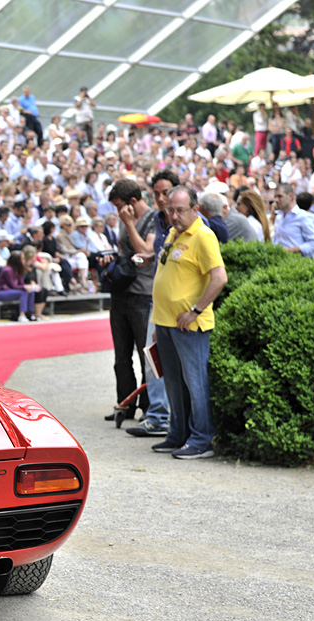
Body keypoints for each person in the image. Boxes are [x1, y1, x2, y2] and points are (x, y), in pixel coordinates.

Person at [151, 187, 227, 460]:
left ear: (195, 210)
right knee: (173, 382)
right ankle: (178, 434)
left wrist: (195, 310)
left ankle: (202, 439)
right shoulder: (174, 233)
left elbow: (219, 278)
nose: (173, 215)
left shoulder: (203, 235)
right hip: (166, 321)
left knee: (195, 383)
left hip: (189, 324)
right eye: (169, 210)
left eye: (180, 210)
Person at [106, 179, 162, 434]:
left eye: (120, 206)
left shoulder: (152, 218)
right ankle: (125, 404)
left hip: (142, 294)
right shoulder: (123, 217)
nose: (118, 212)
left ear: (131, 202)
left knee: (145, 355)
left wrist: (129, 224)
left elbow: (146, 251)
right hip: (121, 293)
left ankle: (148, 407)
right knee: (121, 355)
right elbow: (125, 251)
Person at [270, 184, 314, 258]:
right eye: (275, 197)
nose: (276, 200)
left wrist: (291, 250)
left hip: (297, 265)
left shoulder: (303, 216)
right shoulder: (279, 217)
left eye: (280, 196)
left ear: (290, 196)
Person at [0, 251, 39, 322]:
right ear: (17, 260)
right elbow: (13, 286)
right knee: (23, 292)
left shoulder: (18, 270)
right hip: (1, 292)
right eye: (23, 258)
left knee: (30, 291)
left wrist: (28, 287)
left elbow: (21, 283)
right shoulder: (8, 270)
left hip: (11, 291)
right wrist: (24, 287)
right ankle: (22, 315)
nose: (24, 260)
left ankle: (30, 313)